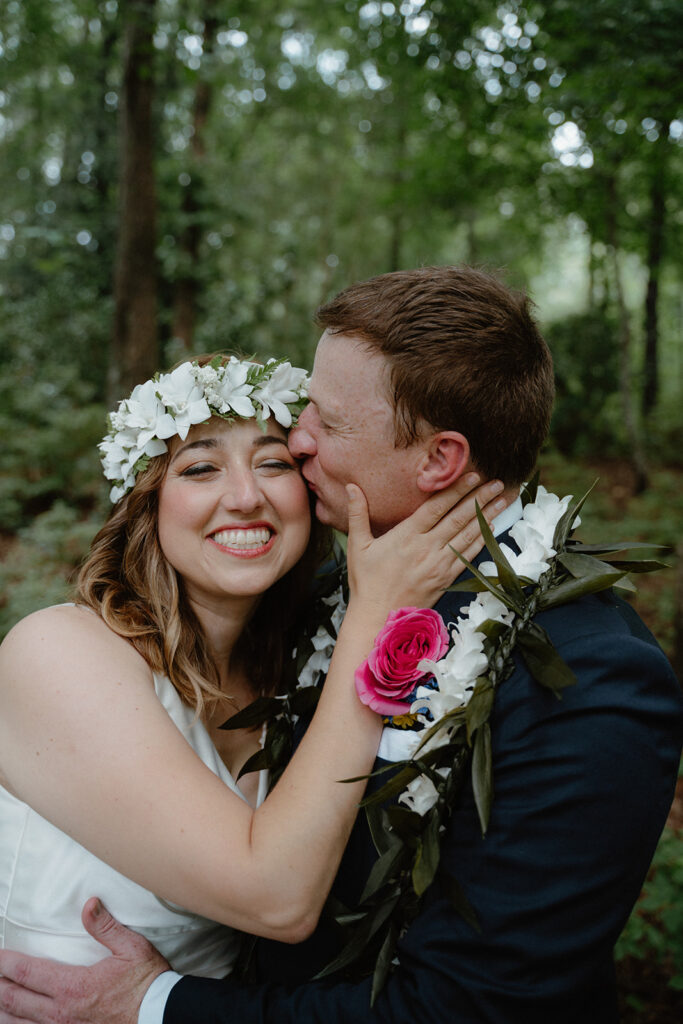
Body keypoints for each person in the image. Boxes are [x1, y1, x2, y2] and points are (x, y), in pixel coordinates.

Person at [0, 267, 681, 1024]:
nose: (298, 443)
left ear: (437, 461)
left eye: (324, 422)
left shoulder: (587, 675)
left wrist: (159, 1004)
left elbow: (476, 1007)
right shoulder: (320, 610)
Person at [0, 353, 507, 979]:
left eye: (273, 463)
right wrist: (376, 614)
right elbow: (278, 900)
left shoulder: (293, 669)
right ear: (146, 502)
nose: (246, 498)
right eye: (201, 468)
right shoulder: (57, 653)